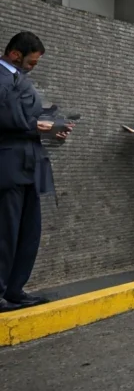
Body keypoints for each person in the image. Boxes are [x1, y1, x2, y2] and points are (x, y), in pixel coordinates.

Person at [0, 32, 72, 311]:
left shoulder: (20, 80)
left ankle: (15, 289)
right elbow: (7, 116)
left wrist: (54, 127)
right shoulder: (3, 78)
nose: (33, 67)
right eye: (31, 62)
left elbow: (27, 118)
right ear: (16, 54)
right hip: (9, 165)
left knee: (29, 231)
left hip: (31, 164)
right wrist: (35, 126)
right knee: (5, 232)